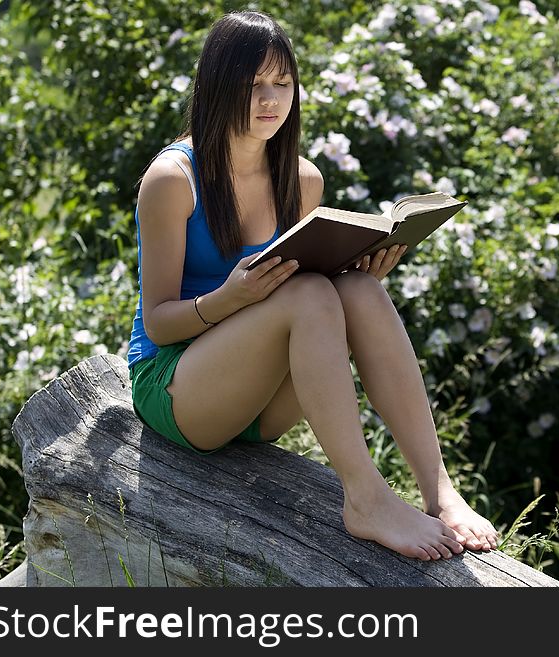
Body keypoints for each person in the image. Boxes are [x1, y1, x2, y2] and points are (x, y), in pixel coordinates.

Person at [126, 10, 498, 562]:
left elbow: (309, 292)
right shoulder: (173, 181)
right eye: (254, 85)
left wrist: (355, 270)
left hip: (260, 401)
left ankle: (439, 490)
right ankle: (366, 497)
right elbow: (157, 320)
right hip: (180, 390)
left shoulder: (301, 179)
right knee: (308, 294)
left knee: (357, 291)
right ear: (217, 84)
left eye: (282, 82)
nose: (270, 99)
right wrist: (230, 298)